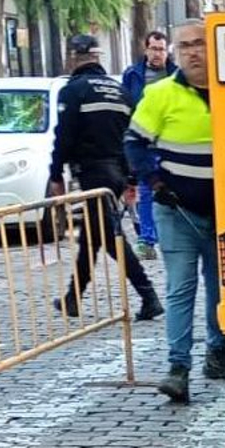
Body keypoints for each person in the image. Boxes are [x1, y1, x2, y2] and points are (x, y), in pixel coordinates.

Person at [124, 23, 224, 405]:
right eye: (185, 46)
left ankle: (218, 354)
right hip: (177, 211)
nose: (193, 52)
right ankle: (178, 368)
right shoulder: (160, 93)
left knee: (221, 287)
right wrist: (155, 181)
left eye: (200, 43)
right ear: (175, 52)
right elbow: (134, 143)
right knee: (181, 288)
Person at [48, 34, 163, 320]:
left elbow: (63, 136)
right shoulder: (119, 91)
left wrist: (55, 174)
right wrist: (132, 178)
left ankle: (149, 296)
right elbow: (133, 138)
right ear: (97, 57)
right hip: (117, 172)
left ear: (73, 57)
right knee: (93, 236)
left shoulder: (73, 91)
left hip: (93, 172)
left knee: (111, 237)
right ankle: (73, 297)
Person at [121, 30, 171, 254]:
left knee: (171, 188)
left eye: (162, 49)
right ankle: (147, 239)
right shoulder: (133, 74)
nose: (158, 54)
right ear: (146, 49)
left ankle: (168, 236)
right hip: (144, 142)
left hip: (171, 142)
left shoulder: (176, 74)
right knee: (146, 189)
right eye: (154, 49)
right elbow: (126, 108)